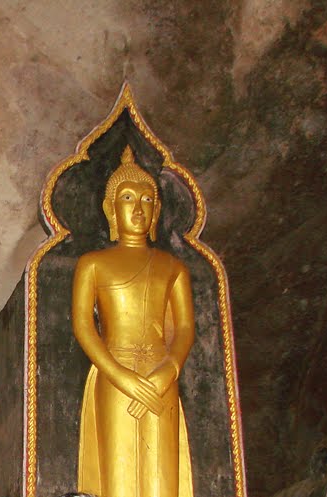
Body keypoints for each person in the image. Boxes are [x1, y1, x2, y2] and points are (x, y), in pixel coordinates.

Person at [72, 147, 195, 497]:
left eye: (146, 200)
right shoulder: (92, 264)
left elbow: (184, 329)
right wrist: (120, 374)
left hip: (160, 374)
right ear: (112, 209)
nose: (138, 208)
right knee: (119, 474)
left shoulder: (174, 268)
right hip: (114, 372)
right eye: (127, 198)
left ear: (156, 211)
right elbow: (84, 326)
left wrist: (168, 369)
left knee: (162, 475)